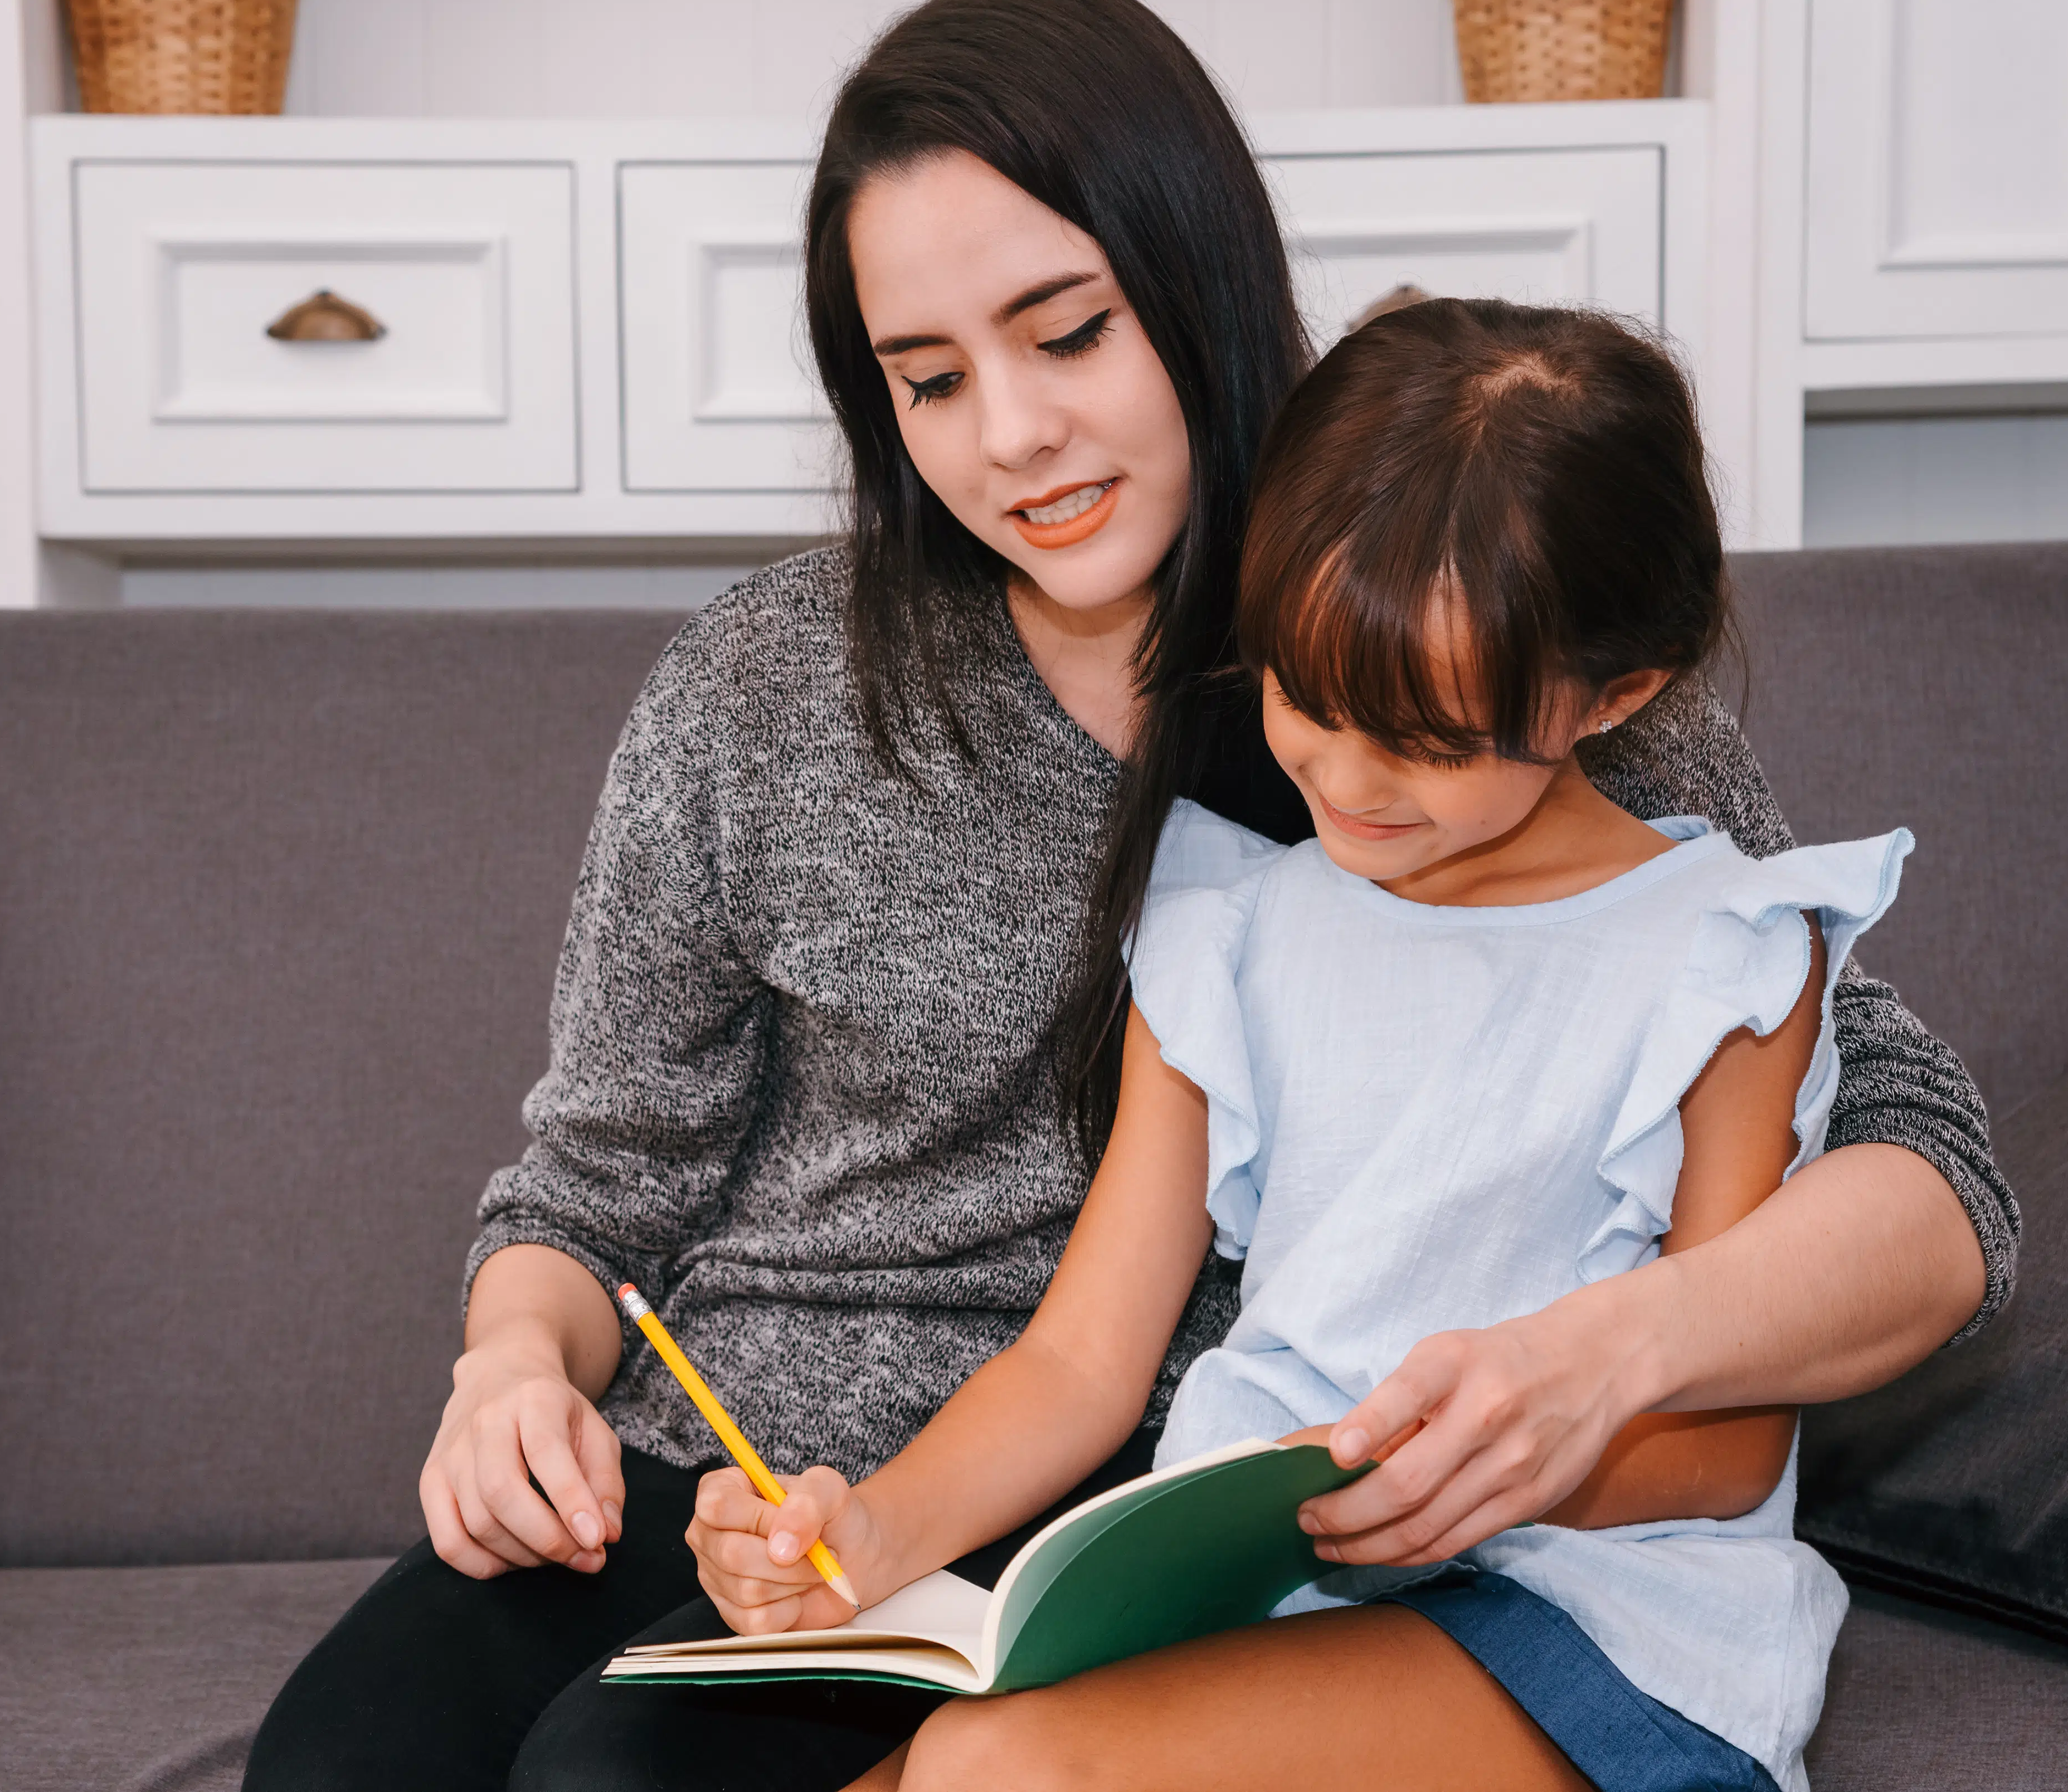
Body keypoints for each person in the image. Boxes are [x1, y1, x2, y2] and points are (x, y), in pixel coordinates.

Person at [242, 0, 2008, 1792]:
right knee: (338, 1772)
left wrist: (1608, 1360)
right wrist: (510, 1369)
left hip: (1134, 1525)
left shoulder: (1482, 631)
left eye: (1067, 333)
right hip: (756, 1482)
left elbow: (1919, 1169)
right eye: (929, 379)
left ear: (1193, 283)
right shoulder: (754, 695)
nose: (1010, 436)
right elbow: (598, 1188)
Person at [685, 296, 1886, 1792]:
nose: (1347, 776)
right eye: (1304, 695)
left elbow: (1726, 1452)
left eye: (1431, 741)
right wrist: (868, 1534)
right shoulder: (1232, 932)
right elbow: (1079, 1361)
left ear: (1618, 693)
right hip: (1282, 1592)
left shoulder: (1724, 953)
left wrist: (1472, 1476)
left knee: (1006, 1775)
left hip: (1593, 1614)